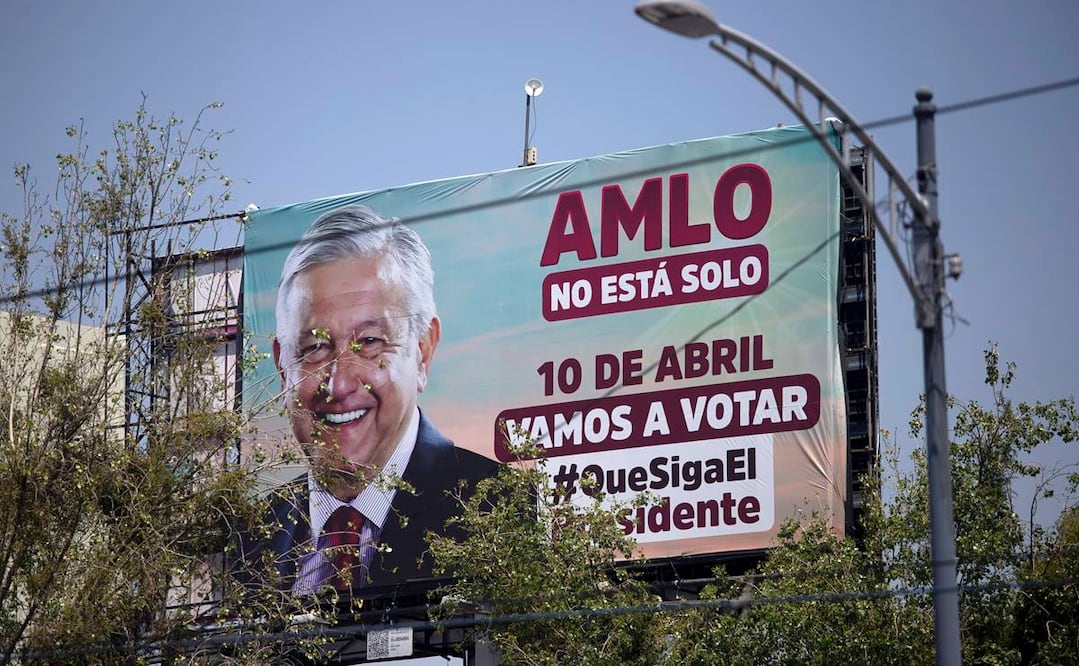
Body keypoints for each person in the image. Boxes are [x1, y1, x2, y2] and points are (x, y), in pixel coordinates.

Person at [234, 204, 497, 596]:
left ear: (423, 351)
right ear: (282, 367)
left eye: (370, 342)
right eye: (314, 348)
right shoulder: (249, 542)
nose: (339, 384)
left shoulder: (496, 508)